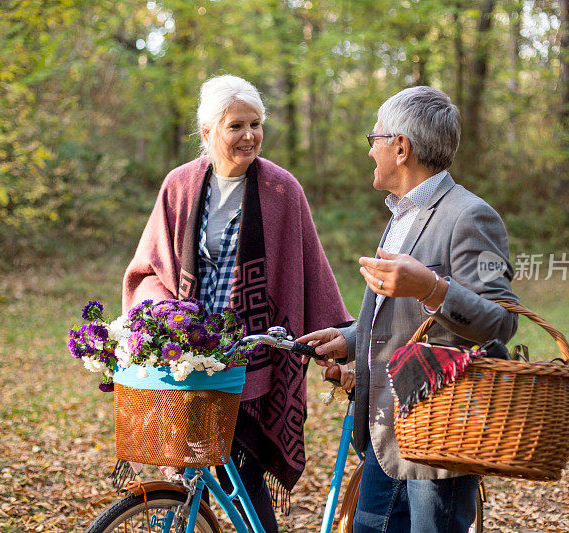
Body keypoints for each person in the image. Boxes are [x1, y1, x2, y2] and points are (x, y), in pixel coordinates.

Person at [122, 74, 350, 532]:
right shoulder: (180, 186)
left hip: (252, 354)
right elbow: (148, 268)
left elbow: (310, 268)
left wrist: (342, 336)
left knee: (243, 465)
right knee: (192, 470)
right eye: (236, 126)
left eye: (256, 124)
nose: (249, 136)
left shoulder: (282, 190)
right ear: (208, 132)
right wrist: (165, 318)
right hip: (189, 353)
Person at [298, 86, 518, 533]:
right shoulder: (401, 215)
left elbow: (502, 320)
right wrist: (351, 338)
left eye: (373, 139)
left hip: (442, 432)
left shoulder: (472, 216)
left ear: (401, 148)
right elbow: (394, 316)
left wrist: (435, 288)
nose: (370, 151)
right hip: (385, 429)